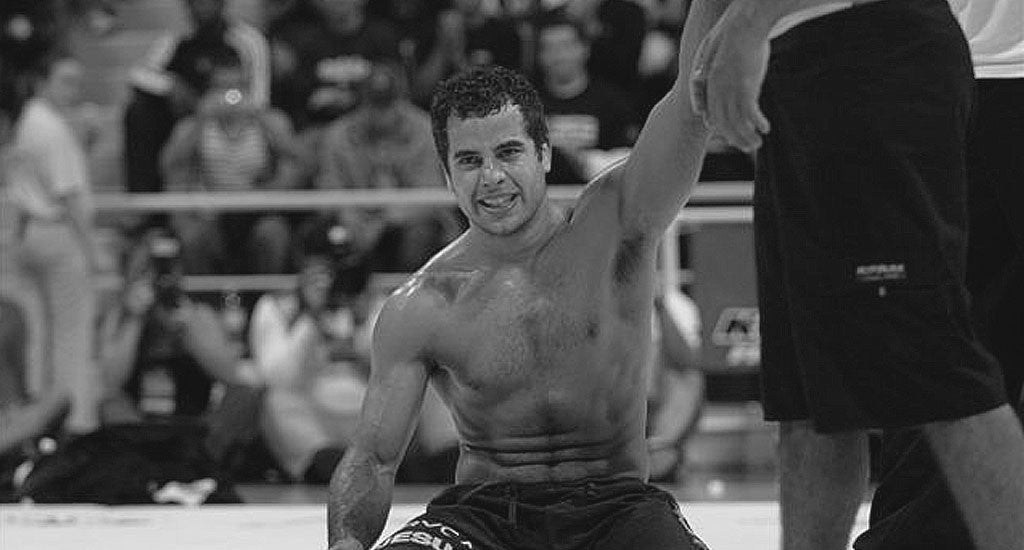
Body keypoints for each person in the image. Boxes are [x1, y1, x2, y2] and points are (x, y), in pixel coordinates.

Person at [325, 0, 732, 545]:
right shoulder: (421, 305)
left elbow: (691, 97)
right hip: (484, 516)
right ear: (447, 174)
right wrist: (345, 544)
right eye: (470, 161)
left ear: (543, 154)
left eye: (508, 152)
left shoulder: (617, 224)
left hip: (616, 508)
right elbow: (373, 459)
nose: (491, 178)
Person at [689, 1, 1024, 549]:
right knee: (807, 397)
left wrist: (748, 22)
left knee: (935, 362)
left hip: (872, 47)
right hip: (800, 64)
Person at [852, 0, 1024, 547]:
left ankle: (913, 535)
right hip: (939, 67)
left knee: (944, 331)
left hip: (935, 70)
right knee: (940, 333)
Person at [6, 54, 103, 435]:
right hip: (56, 232)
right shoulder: (48, 127)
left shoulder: (30, 121)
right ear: (42, 82)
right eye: (65, 81)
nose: (73, 91)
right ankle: (74, 421)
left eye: (78, 82)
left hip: (28, 232)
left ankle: (39, 419)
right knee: (72, 334)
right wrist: (92, 251)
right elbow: (69, 194)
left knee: (40, 335)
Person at [248, 220, 374, 483]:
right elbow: (278, 379)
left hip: (372, 416)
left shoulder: (380, 302)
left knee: (432, 384)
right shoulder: (276, 306)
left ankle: (438, 460)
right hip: (314, 417)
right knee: (275, 401)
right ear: (303, 266)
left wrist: (363, 325)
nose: (335, 277)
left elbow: (397, 370)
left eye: (342, 266)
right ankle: (325, 463)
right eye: (325, 269)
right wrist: (310, 317)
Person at [160, 49, 299, 275]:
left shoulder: (272, 121)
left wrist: (261, 118)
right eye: (222, 88)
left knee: (273, 234)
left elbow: (296, 159)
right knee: (193, 236)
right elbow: (170, 164)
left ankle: (265, 295)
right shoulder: (192, 127)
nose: (231, 96)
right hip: (210, 213)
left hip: (256, 211)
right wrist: (200, 119)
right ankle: (205, 295)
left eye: (238, 87)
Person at [318, 62, 461, 272]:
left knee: (421, 233)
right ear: (362, 102)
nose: (381, 116)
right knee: (332, 235)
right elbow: (329, 188)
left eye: (388, 105)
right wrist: (349, 217)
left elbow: (429, 196)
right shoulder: (338, 135)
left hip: (409, 221)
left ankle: (413, 291)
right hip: (356, 221)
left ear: (402, 101)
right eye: (374, 106)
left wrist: (383, 222)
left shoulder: (425, 130)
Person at [123, 0, 269, 195]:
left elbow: (260, 99)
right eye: (197, 2)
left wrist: (226, 104)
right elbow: (139, 75)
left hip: (239, 116)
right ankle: (147, 201)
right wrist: (173, 86)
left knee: (275, 125)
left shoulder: (249, 40)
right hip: (194, 119)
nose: (203, 7)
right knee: (141, 112)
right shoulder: (176, 38)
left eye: (209, 2)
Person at [533, 14, 637, 186]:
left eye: (566, 46)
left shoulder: (612, 102)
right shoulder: (526, 105)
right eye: (549, 48)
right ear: (539, 56)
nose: (558, 55)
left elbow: (631, 160)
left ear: (584, 49)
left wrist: (586, 162)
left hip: (599, 195)